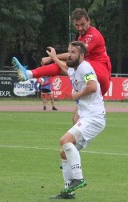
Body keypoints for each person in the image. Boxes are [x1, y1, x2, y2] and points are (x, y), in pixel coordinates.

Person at [48, 41, 106, 199]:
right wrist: (54, 57)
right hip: (88, 116)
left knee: (64, 140)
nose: (69, 54)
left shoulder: (85, 67)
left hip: (94, 117)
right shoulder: (74, 69)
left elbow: (93, 86)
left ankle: (78, 178)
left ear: (81, 55)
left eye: (73, 52)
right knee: (64, 154)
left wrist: (77, 95)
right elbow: (66, 68)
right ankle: (69, 192)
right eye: (68, 51)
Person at [12, 8, 111, 96]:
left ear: (89, 21)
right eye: (77, 25)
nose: (80, 28)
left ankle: (29, 74)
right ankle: (29, 74)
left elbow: (75, 55)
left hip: (100, 71)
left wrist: (52, 57)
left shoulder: (92, 35)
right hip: (95, 78)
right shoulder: (82, 37)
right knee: (78, 115)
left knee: (61, 66)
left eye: (82, 24)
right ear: (73, 24)